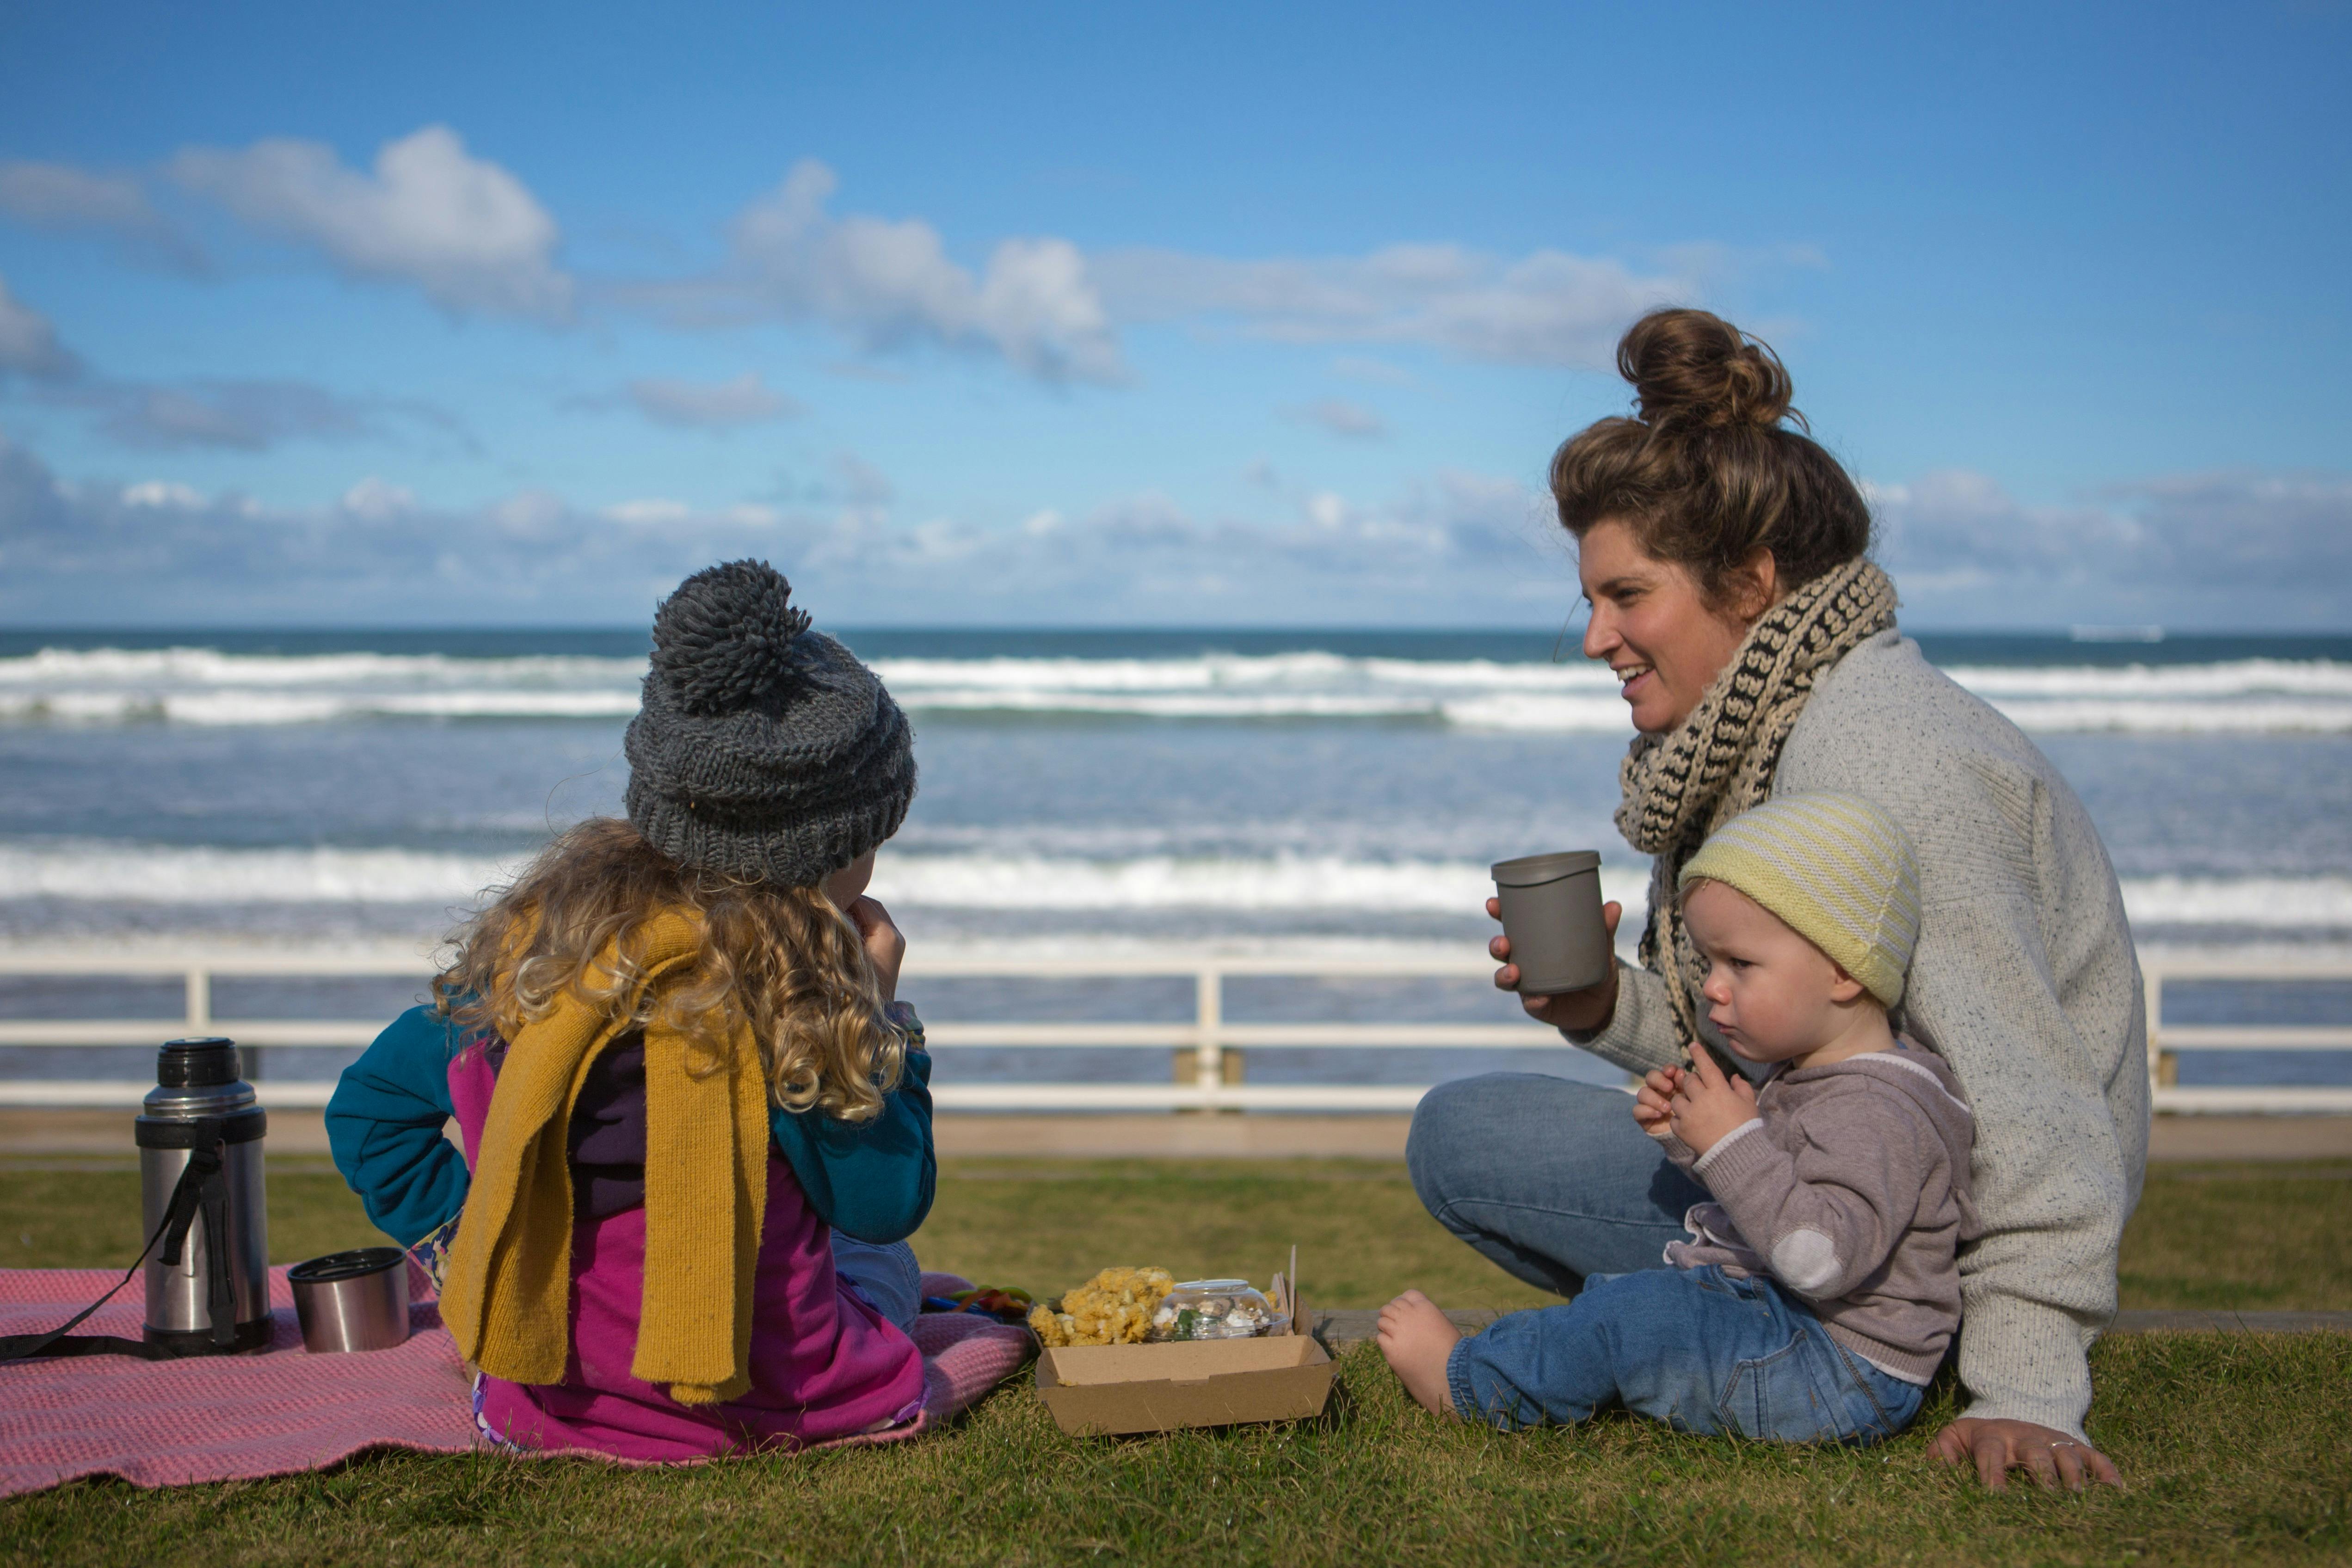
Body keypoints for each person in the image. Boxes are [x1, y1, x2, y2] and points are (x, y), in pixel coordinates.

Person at [1406, 308, 2146, 1491]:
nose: (1595, 636)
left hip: (1900, 1256)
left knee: (1465, 1137)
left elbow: (2033, 1104)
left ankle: (1763, 1338)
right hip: (1835, 1172)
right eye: (1590, 599)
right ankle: (1705, 1319)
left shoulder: (1888, 760)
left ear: (1749, 583)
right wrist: (1604, 1004)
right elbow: (1794, 1032)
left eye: (1627, 596)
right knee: (1462, 1133)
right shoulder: (1767, 729)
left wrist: (2024, 1389)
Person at [326, 560, 936, 1459]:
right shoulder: (796, 1012)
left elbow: (368, 1114)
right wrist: (879, 1028)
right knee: (883, 1264)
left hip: (539, 1405)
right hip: (773, 1404)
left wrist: (473, 1239)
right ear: (829, 854)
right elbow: (885, 1203)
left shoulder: (534, 970)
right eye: (871, 838)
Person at [1382, 793, 1978, 1445]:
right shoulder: (1827, 1072)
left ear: (1842, 971)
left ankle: (1468, 1383)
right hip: (1807, 1335)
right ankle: (1522, 1358)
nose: (1713, 988)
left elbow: (1818, 1259)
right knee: (1629, 1301)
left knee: (1636, 1318)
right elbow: (1792, 1190)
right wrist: (1691, 1140)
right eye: (1709, 963)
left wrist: (1731, 1142)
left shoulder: (1874, 1108)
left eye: (1739, 965)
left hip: (1834, 1372)